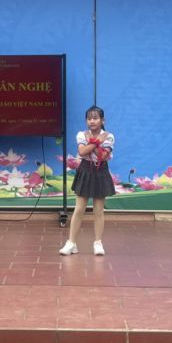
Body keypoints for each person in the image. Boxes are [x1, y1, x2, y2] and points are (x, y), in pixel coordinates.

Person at [60, 105, 115, 256]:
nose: (92, 121)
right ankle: (71, 243)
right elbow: (82, 151)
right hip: (85, 169)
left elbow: (102, 156)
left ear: (102, 120)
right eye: (89, 118)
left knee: (98, 210)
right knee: (79, 209)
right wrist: (97, 142)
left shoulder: (109, 136)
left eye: (95, 118)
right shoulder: (81, 134)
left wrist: (92, 143)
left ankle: (98, 243)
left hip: (101, 170)